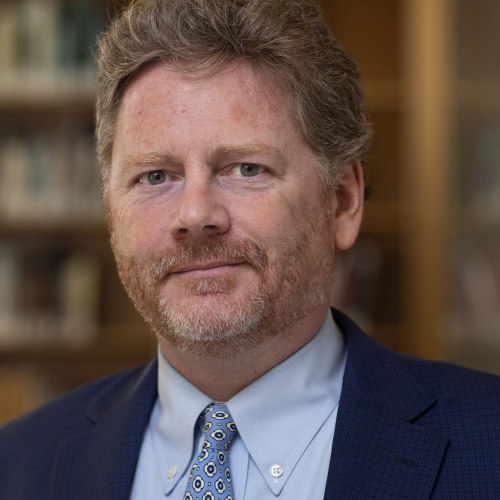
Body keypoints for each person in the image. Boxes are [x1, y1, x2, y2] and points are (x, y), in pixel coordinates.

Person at [1, 0, 500, 498]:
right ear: (111, 212)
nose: (195, 216)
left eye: (245, 169)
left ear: (343, 202)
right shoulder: (17, 465)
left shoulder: (488, 448)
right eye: (156, 176)